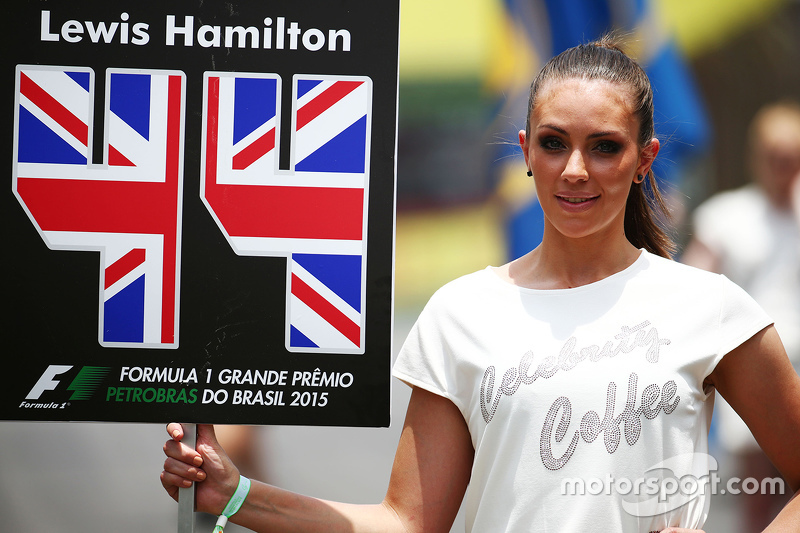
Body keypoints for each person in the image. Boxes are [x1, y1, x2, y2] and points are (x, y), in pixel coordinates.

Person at [161, 36, 800, 532]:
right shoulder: (462, 312)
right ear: (525, 151)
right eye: (554, 143)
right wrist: (236, 495)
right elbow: (407, 522)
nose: (575, 170)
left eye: (605, 146)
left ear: (645, 159)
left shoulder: (708, 307)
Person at [681, 100, 800, 530]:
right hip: (754, 361)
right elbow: (692, 282)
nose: (783, 166)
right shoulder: (728, 216)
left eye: (792, 157)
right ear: (756, 157)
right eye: (775, 157)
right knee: (758, 488)